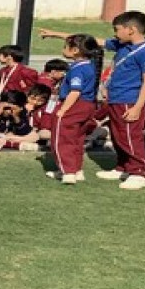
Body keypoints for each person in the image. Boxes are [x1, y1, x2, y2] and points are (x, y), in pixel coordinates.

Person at [42, 12, 145, 190]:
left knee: (130, 136)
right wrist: (56, 34)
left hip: (130, 100)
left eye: (117, 29)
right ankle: (123, 167)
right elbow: (90, 41)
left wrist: (138, 107)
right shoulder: (122, 44)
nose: (115, 34)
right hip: (115, 99)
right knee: (118, 136)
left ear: (131, 30)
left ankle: (139, 172)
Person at [43, 33, 101, 184]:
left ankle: (67, 171)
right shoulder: (90, 65)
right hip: (88, 105)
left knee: (62, 138)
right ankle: (76, 170)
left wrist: (63, 110)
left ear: (75, 50)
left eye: (65, 46)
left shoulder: (77, 69)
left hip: (74, 105)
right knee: (77, 139)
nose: (63, 49)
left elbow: (75, 91)